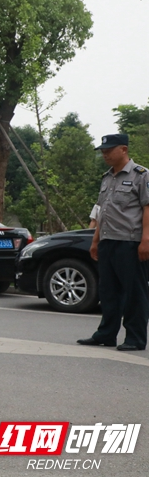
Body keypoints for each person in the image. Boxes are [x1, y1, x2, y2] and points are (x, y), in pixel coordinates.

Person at [77, 134, 149, 351]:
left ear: (124, 149)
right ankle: (106, 334)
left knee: (134, 293)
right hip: (108, 241)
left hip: (130, 242)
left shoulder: (141, 175)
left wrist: (146, 239)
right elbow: (102, 212)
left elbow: (147, 207)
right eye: (103, 151)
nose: (105, 154)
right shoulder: (107, 177)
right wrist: (96, 240)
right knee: (108, 291)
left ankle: (135, 338)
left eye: (109, 150)